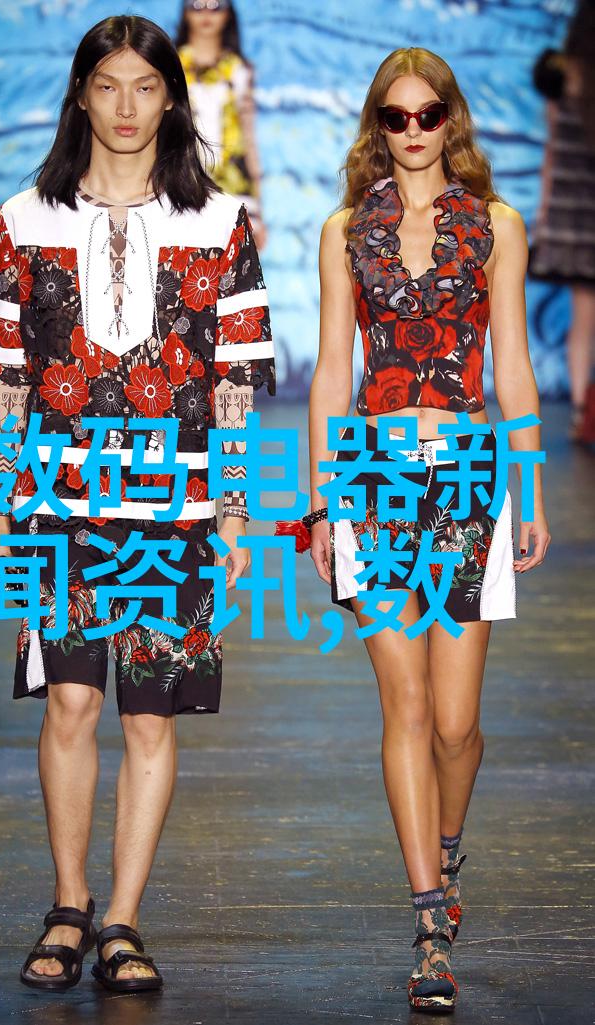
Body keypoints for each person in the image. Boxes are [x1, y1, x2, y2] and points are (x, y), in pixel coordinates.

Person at [0, 14, 275, 993]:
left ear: (172, 100)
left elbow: (234, 376)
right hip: (57, 497)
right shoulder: (24, 219)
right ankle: (68, 904)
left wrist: (233, 510)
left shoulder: (217, 221)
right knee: (69, 698)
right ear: (80, 95)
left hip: (175, 505)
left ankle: (123, 919)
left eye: (145, 86)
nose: (127, 106)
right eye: (107, 85)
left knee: (149, 714)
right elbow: (5, 373)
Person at [307, 48, 550, 1011]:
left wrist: (531, 491)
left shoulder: (495, 226)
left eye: (427, 113)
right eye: (394, 115)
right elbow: (331, 372)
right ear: (377, 123)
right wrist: (320, 502)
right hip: (370, 478)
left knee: (455, 724)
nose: (412, 130)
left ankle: (449, 851)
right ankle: (427, 924)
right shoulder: (344, 230)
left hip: (468, 479)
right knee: (403, 707)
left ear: (451, 118)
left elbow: (513, 365)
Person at [528, 0, 595, 444]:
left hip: (571, 220)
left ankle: (580, 413)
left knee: (582, 319)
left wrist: (543, 217)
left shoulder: (558, 77)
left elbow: (552, 152)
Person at [175, 0, 266, 248]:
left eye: (215, 5)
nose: (206, 12)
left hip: (233, 181)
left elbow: (248, 135)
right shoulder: (170, 66)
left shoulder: (239, 70)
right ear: (185, 12)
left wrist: (258, 206)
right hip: (183, 176)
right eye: (197, 5)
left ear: (228, 14)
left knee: (238, 264)